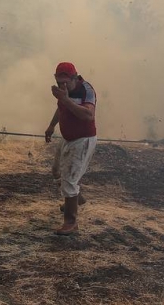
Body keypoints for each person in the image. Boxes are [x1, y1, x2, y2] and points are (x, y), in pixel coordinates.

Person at [44, 62, 97, 235]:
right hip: (67, 137)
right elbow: (61, 108)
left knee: (69, 180)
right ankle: (75, 198)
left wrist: (66, 100)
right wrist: (51, 126)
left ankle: (71, 222)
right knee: (56, 171)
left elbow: (88, 115)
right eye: (59, 83)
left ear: (75, 78)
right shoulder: (64, 92)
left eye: (66, 82)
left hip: (82, 139)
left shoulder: (86, 90)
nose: (63, 86)